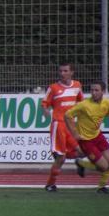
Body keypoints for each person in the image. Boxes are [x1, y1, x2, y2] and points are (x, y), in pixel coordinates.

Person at [64, 80, 109, 194]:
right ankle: (81, 163)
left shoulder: (107, 103)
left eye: (96, 90)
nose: (93, 93)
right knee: (103, 167)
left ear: (103, 91)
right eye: (92, 90)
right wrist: (74, 133)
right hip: (86, 141)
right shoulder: (84, 105)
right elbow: (66, 116)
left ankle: (101, 188)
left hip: (97, 136)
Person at [41, 61, 85, 192]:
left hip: (70, 125)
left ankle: (79, 162)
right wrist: (45, 111)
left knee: (83, 150)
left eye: (65, 71)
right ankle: (50, 184)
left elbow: (80, 101)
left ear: (72, 72)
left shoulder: (77, 85)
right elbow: (44, 104)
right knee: (61, 158)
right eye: (61, 71)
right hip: (58, 125)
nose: (62, 73)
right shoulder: (54, 88)